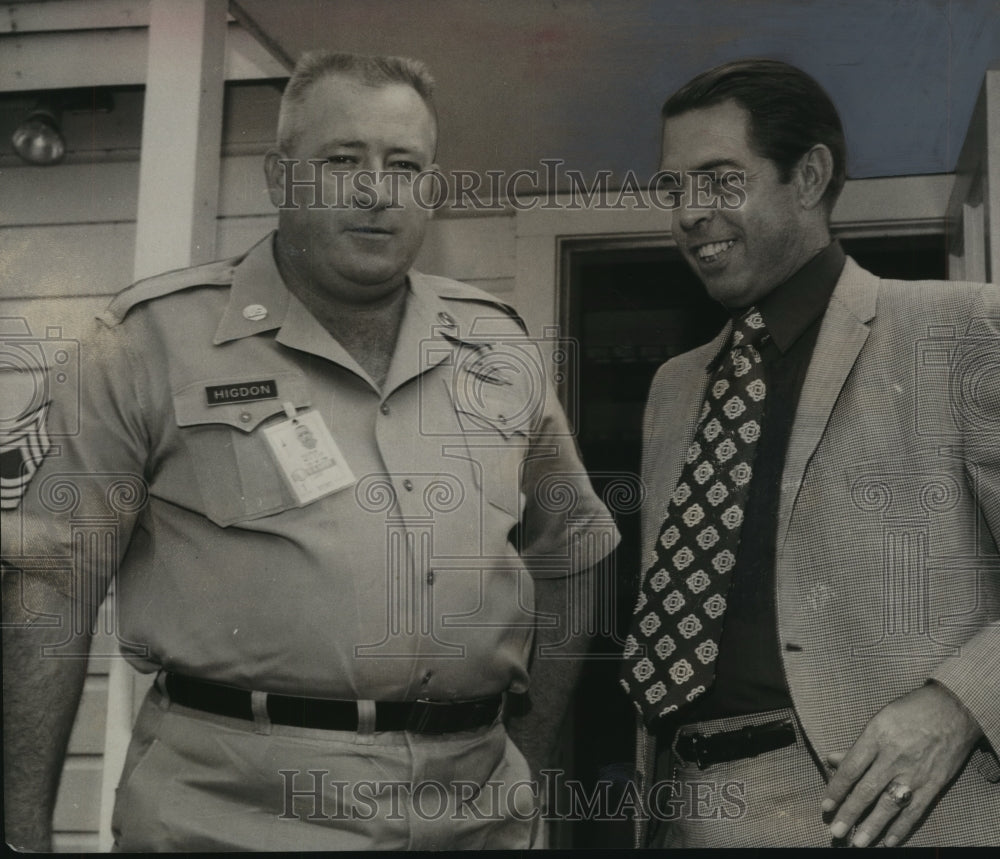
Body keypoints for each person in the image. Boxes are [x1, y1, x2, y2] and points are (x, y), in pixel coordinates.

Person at [2, 51, 617, 851]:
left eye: (404, 165)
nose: (376, 190)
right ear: (279, 175)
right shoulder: (149, 341)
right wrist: (20, 833)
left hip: (473, 817)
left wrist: (524, 760)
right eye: (343, 161)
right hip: (233, 817)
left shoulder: (495, 348)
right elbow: (48, 580)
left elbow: (578, 550)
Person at [621, 58, 1000, 848]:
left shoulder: (962, 329)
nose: (690, 213)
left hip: (888, 816)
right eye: (674, 188)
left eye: (721, 180)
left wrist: (960, 702)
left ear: (809, 176)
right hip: (683, 810)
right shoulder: (672, 389)